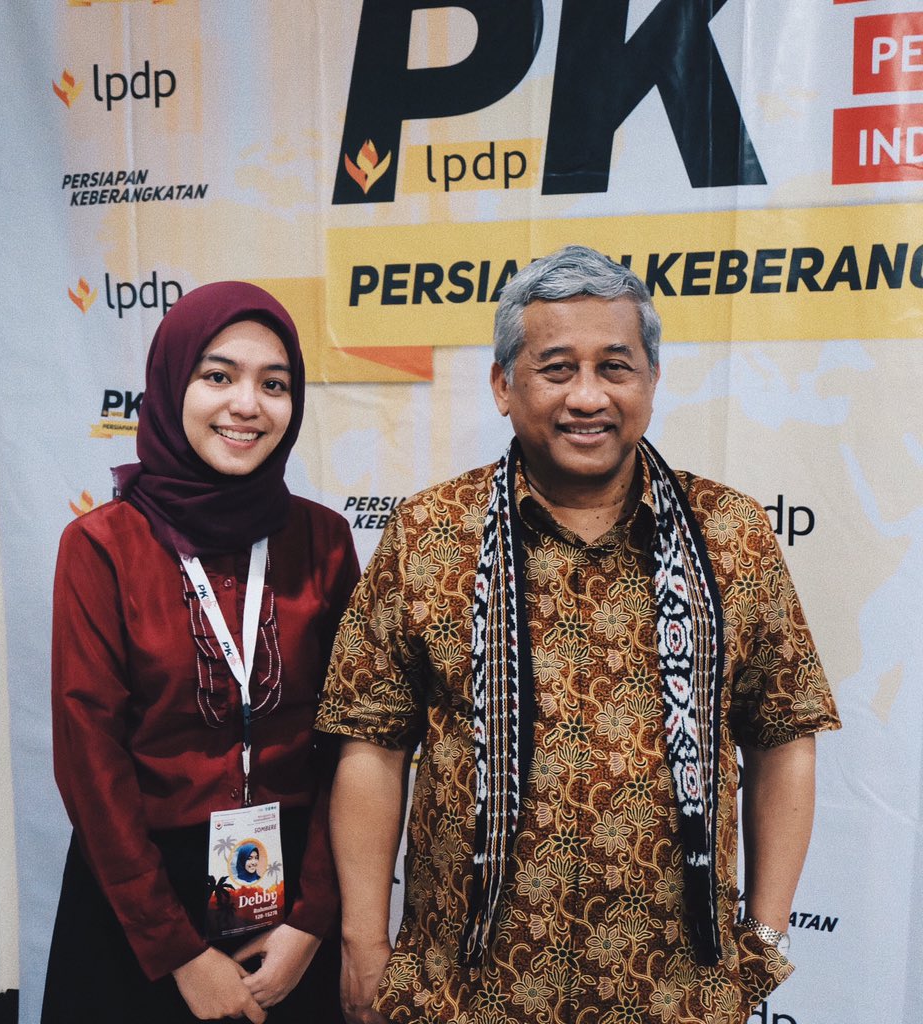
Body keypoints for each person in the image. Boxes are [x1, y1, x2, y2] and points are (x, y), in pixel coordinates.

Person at [316, 246, 840, 1024]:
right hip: (466, 996)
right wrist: (363, 941)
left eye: (614, 367)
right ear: (504, 385)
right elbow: (372, 745)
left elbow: (784, 733)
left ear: (651, 381)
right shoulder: (429, 534)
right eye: (557, 369)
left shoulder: (730, 534)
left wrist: (763, 936)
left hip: (676, 997)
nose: (588, 396)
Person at [43, 282, 360, 1024]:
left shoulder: (323, 541)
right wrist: (178, 951)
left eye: (274, 384)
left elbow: (353, 740)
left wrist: (313, 920)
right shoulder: (101, 547)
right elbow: (90, 761)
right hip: (140, 897)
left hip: (291, 893)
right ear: (170, 386)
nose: (247, 405)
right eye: (218, 376)